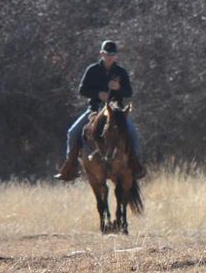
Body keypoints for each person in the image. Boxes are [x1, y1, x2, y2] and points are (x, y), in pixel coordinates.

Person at [54, 40, 146, 181]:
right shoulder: (92, 70)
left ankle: (136, 166)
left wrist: (118, 89)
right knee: (72, 132)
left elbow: (129, 93)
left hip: (117, 112)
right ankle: (70, 168)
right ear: (101, 54)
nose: (110, 57)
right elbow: (82, 90)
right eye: (107, 54)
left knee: (134, 134)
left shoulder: (121, 72)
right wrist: (98, 94)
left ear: (116, 56)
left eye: (113, 54)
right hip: (95, 109)